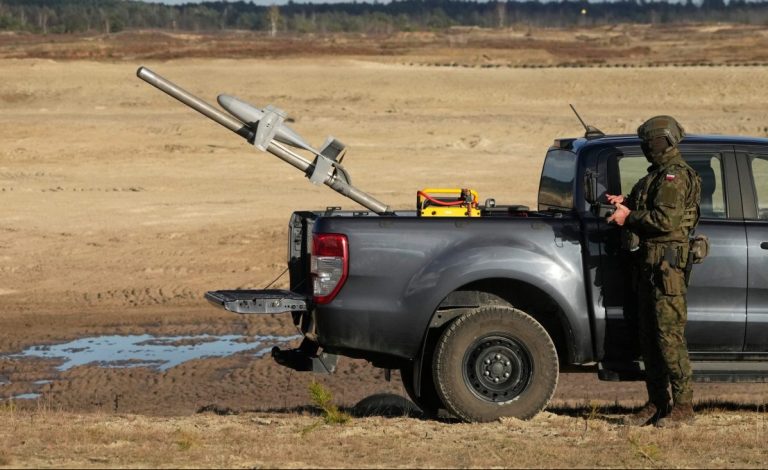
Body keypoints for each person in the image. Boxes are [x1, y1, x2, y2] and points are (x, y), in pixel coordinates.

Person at [606, 115, 701, 427]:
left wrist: (629, 218)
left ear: (662, 141)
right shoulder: (656, 176)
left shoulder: (675, 176)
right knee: (649, 340)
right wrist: (623, 203)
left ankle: (683, 408)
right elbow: (642, 202)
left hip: (667, 271)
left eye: (650, 142)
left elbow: (665, 221)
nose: (648, 148)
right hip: (649, 268)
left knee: (669, 338)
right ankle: (658, 402)